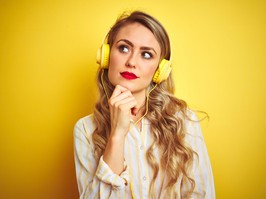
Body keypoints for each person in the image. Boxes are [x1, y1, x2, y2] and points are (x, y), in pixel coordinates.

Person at [74, 11, 215, 199]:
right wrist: (117, 134)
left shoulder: (184, 121)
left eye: (146, 54)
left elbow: (203, 194)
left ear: (160, 70)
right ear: (106, 56)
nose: (131, 62)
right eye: (124, 48)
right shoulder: (85, 129)